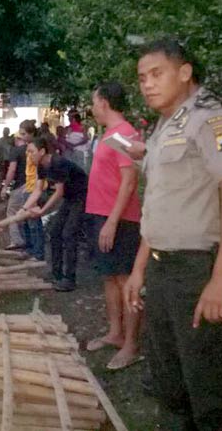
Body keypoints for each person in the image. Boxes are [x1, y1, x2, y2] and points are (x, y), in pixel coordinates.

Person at [123, 39, 222, 430]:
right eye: (142, 77)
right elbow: (162, 207)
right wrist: (139, 268)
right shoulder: (166, 126)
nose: (147, 84)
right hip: (163, 270)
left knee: (209, 387)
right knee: (169, 383)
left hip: (198, 271)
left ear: (184, 72)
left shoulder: (212, 121)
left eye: (156, 73)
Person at [84, 81, 144, 370]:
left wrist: (112, 221)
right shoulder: (110, 134)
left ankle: (131, 344)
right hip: (101, 215)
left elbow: (130, 180)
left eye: (94, 102)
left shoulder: (124, 134)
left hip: (119, 220)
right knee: (110, 278)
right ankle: (115, 333)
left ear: (105, 103)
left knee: (125, 281)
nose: (92, 107)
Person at [22, 135, 88, 292]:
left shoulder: (57, 163)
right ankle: (56, 273)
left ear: (42, 151)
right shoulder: (41, 165)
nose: (29, 155)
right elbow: (37, 190)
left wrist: (42, 212)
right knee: (54, 231)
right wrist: (24, 209)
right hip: (70, 198)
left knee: (69, 234)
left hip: (82, 197)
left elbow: (58, 192)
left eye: (31, 151)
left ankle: (69, 279)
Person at [19, 120, 44, 261]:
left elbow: (37, 171)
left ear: (31, 133)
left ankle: (38, 252)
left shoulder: (35, 147)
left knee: (34, 222)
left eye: (23, 133)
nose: (21, 136)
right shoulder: (29, 147)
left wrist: (35, 188)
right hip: (28, 187)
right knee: (26, 221)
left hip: (34, 188)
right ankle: (29, 248)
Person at [0, 126, 29, 250]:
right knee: (25, 212)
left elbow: (11, 170)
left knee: (12, 212)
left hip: (20, 185)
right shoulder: (30, 149)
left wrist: (5, 187)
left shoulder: (15, 151)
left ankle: (16, 240)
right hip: (32, 185)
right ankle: (28, 240)